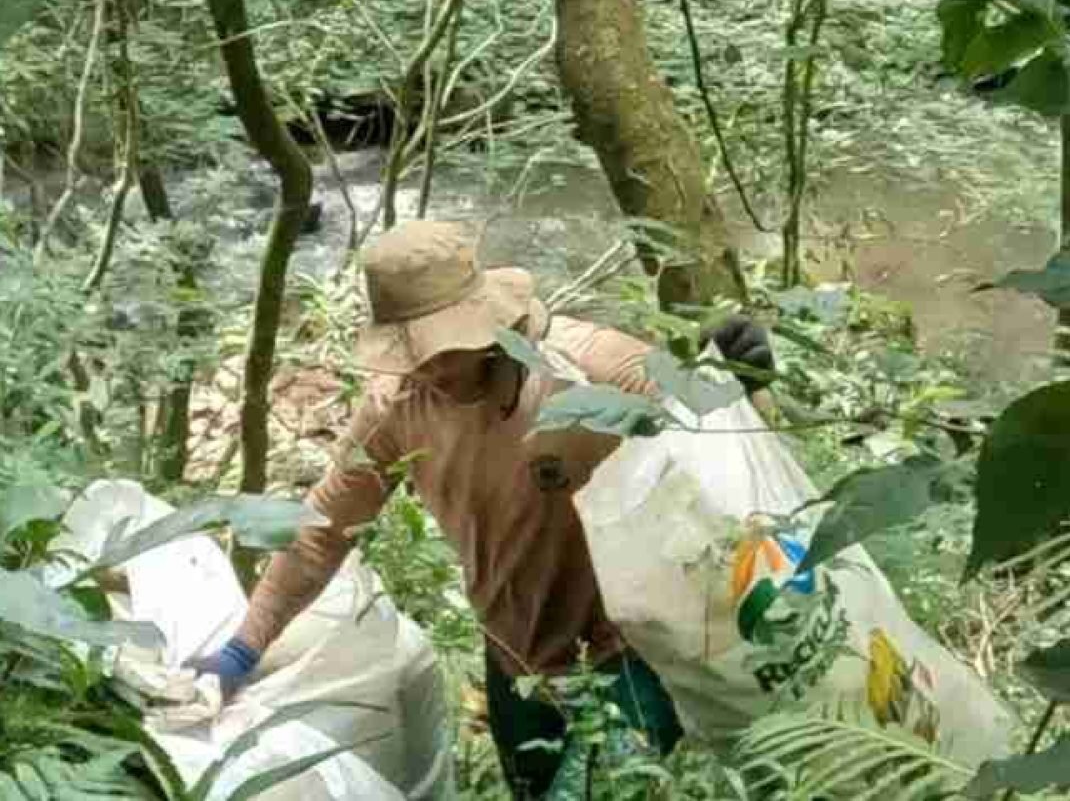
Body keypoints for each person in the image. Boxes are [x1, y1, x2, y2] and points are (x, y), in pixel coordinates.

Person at [195, 219, 775, 798]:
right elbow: (321, 531)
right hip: (513, 663)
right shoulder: (398, 406)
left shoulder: (584, 368)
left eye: (441, 349)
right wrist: (242, 649)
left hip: (626, 658)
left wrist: (744, 382)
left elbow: (718, 437)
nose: (429, 369)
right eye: (411, 354)